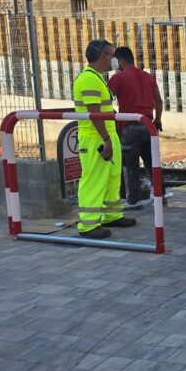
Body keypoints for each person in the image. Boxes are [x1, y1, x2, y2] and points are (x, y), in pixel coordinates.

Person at [72, 39, 136, 239]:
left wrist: (110, 138)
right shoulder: (89, 79)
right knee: (94, 180)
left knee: (111, 178)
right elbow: (94, 113)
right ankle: (88, 225)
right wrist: (106, 139)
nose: (115, 59)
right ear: (103, 56)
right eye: (112, 54)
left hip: (106, 136)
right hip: (96, 139)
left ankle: (111, 215)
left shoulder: (97, 77)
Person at [108, 47, 165, 210]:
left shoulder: (118, 78)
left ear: (121, 61)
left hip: (129, 126)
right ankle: (162, 195)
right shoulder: (148, 77)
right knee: (152, 163)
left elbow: (104, 100)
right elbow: (159, 101)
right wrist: (158, 120)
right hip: (148, 125)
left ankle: (134, 200)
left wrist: (114, 116)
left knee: (130, 166)